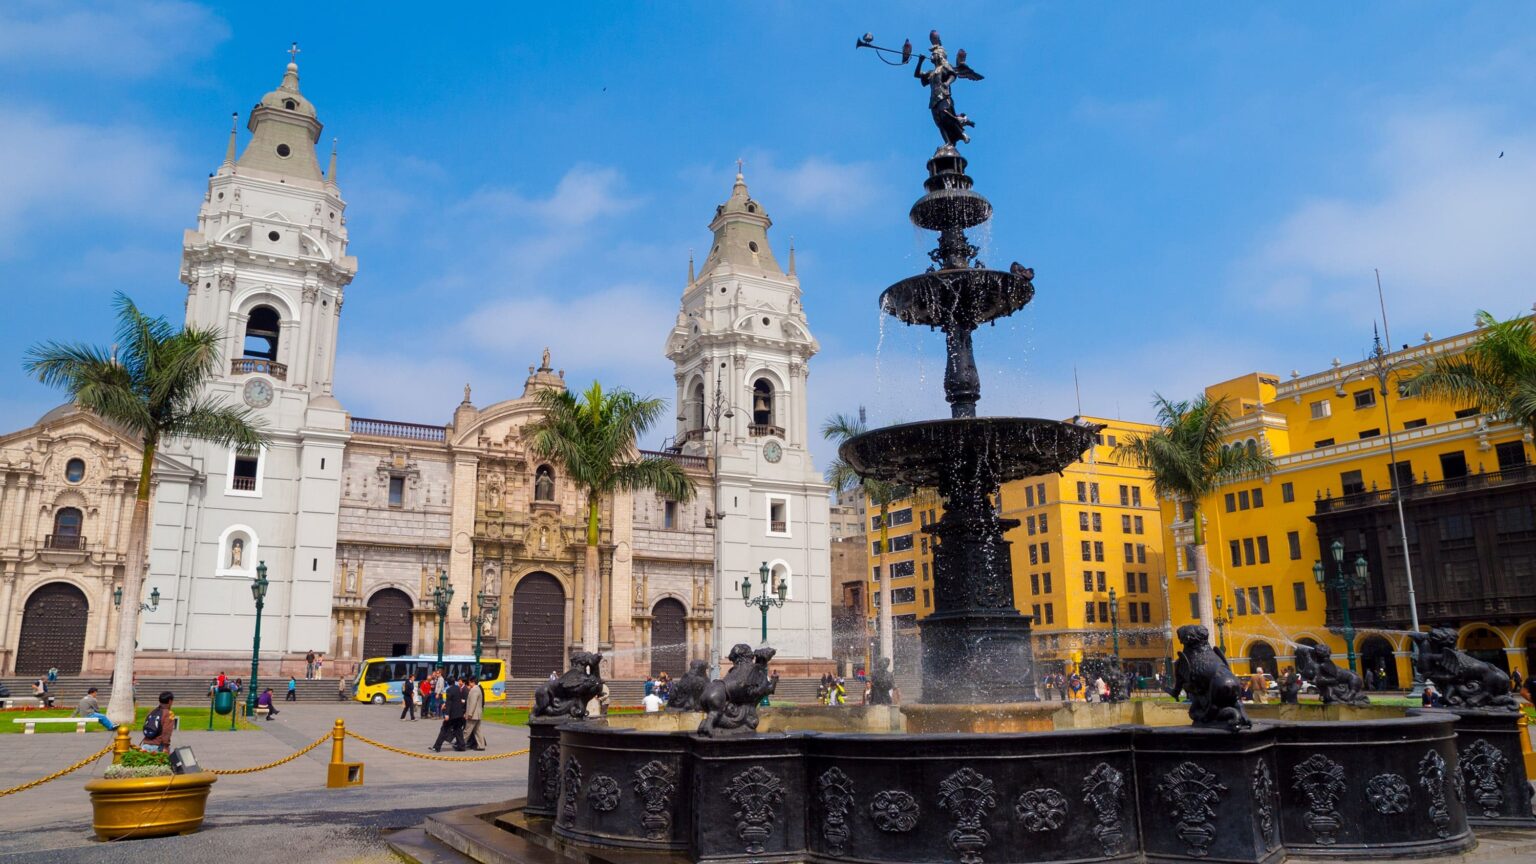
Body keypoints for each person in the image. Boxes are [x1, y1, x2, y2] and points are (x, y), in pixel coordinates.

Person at [430, 677, 467, 752]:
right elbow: (456, 700)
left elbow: (449, 702)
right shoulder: (458, 688)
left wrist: (446, 714)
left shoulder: (449, 690)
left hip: (451, 714)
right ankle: (461, 746)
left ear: (448, 683)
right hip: (459, 713)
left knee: (444, 729)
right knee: (458, 730)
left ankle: (437, 747)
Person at [464, 676, 486, 750]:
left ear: (472, 682)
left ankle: (461, 744)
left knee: (467, 730)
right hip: (477, 714)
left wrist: (469, 714)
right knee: (477, 731)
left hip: (473, 714)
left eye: (469, 682)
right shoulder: (478, 689)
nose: (469, 684)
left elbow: (473, 703)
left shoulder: (474, 690)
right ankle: (481, 746)